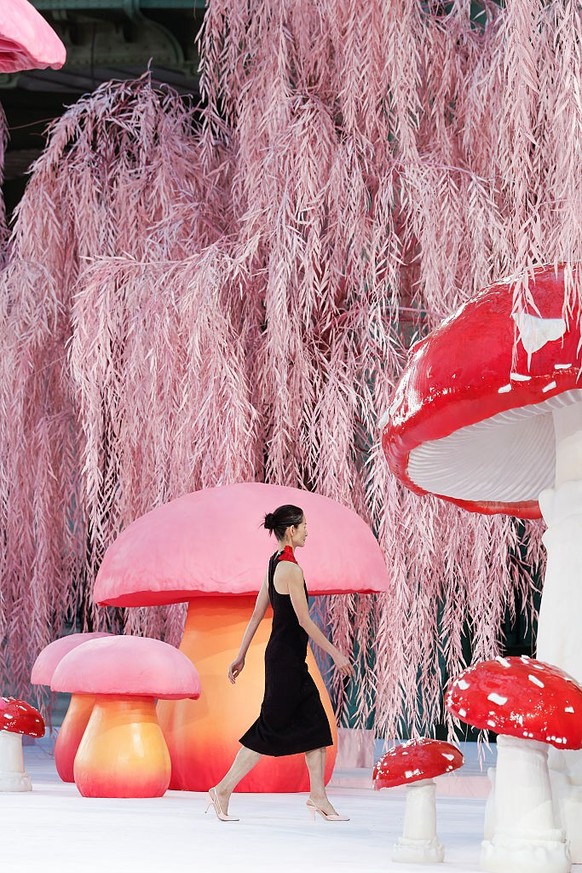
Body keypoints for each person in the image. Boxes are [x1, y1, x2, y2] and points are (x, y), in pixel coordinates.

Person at [206, 503, 354, 822]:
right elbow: (304, 621)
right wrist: (336, 653)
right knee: (268, 730)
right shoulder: (290, 569)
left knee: (315, 725)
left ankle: (318, 796)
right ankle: (222, 789)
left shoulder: (275, 563)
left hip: (285, 659)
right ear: (291, 531)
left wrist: (242, 655)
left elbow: (259, 611)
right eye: (303, 526)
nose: (307, 531)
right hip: (286, 662)